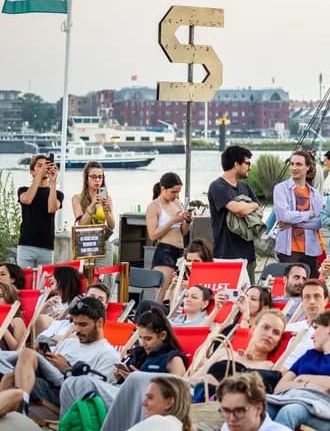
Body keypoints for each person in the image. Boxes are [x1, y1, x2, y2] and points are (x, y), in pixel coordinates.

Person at [59, 307, 189, 415]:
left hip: (140, 401)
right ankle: (69, 425)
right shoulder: (139, 353)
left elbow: (178, 391)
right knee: (71, 382)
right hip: (120, 391)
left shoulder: (173, 359)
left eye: (148, 339)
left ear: (163, 336)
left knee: (83, 382)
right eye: (141, 338)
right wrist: (119, 375)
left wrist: (140, 379)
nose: (144, 343)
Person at [0, 297, 118, 412]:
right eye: (75, 324)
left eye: (83, 325)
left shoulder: (108, 354)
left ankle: (21, 407)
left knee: (25, 356)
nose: (77, 329)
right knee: (10, 375)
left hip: (67, 395)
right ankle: (10, 417)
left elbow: (95, 394)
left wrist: (67, 369)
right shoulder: (68, 343)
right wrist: (45, 358)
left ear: (99, 322)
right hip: (51, 383)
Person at [191, 310, 288, 394]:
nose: (269, 334)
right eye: (265, 327)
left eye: (276, 333)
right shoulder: (224, 353)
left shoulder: (275, 369)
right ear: (253, 329)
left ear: (278, 342)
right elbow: (193, 380)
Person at [208, 146, 261, 282]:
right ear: (236, 164)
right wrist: (246, 208)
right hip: (225, 255)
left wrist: (247, 207)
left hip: (248, 255)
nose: (250, 167)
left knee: (249, 297)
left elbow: (258, 208)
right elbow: (238, 209)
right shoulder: (218, 186)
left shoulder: (245, 187)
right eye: (247, 163)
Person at [273, 151, 325, 278]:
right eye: (291, 164)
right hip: (287, 249)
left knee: (310, 286)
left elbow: (318, 222)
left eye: (298, 164)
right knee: (289, 288)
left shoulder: (315, 194)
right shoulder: (280, 189)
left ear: (307, 167)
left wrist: (292, 222)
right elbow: (284, 216)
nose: (294, 168)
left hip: (311, 250)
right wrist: (307, 214)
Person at [146, 173, 193, 301]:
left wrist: (187, 221)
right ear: (163, 189)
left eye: (178, 192)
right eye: (173, 192)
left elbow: (183, 232)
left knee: (178, 295)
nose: (176, 195)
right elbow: (153, 235)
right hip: (165, 251)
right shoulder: (154, 206)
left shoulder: (178, 203)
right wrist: (173, 220)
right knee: (162, 294)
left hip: (180, 250)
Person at [17, 154, 62, 267]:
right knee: (24, 282)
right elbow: (27, 200)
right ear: (32, 171)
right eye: (39, 166)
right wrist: (39, 176)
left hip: (47, 247)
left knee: (44, 284)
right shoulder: (23, 190)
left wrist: (53, 182)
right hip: (26, 245)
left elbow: (52, 208)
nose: (44, 168)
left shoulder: (57, 194)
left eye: (46, 166)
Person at [73, 161, 116, 266]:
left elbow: (112, 225)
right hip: (85, 242)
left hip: (103, 242)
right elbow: (81, 225)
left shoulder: (107, 198)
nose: (97, 180)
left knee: (104, 277)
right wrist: (92, 206)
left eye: (100, 177)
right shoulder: (77, 198)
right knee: (86, 278)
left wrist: (106, 211)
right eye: (93, 177)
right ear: (86, 179)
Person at [218, 372, 292, 431]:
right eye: (226, 410)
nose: (231, 418)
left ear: (259, 408)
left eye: (239, 411)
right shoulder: (226, 429)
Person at [281, 279, 329, 368]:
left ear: (326, 300)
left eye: (317, 296)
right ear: (302, 301)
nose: (312, 301)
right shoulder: (288, 328)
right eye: (307, 297)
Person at [124, 377, 193, 431]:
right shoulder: (176, 426)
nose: (144, 403)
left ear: (168, 403)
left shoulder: (161, 423)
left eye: (150, 397)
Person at [33, 265, 82, 336]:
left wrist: (69, 315)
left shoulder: (79, 299)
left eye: (54, 276)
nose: (50, 279)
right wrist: (46, 305)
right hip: (48, 331)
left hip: (69, 332)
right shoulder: (44, 298)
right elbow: (33, 320)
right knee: (41, 319)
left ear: (63, 279)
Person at [0, 282, 26, 350]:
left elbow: (18, 351)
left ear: (10, 300)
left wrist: (3, 327)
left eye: (0, 296)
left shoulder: (16, 321)